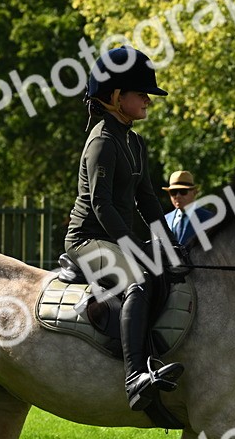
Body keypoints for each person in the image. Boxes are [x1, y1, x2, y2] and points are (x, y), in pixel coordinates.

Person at [64, 47, 184, 411]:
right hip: (88, 239)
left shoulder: (134, 141)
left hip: (112, 236)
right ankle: (135, 378)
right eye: (140, 93)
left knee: (169, 271)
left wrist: (170, 243)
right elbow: (101, 207)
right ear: (116, 97)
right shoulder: (103, 141)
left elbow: (147, 200)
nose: (148, 100)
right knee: (139, 281)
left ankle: (154, 357)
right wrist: (136, 248)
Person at [162, 170, 214, 246]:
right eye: (173, 192)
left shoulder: (209, 218)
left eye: (183, 191)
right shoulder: (165, 220)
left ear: (194, 192)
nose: (178, 196)